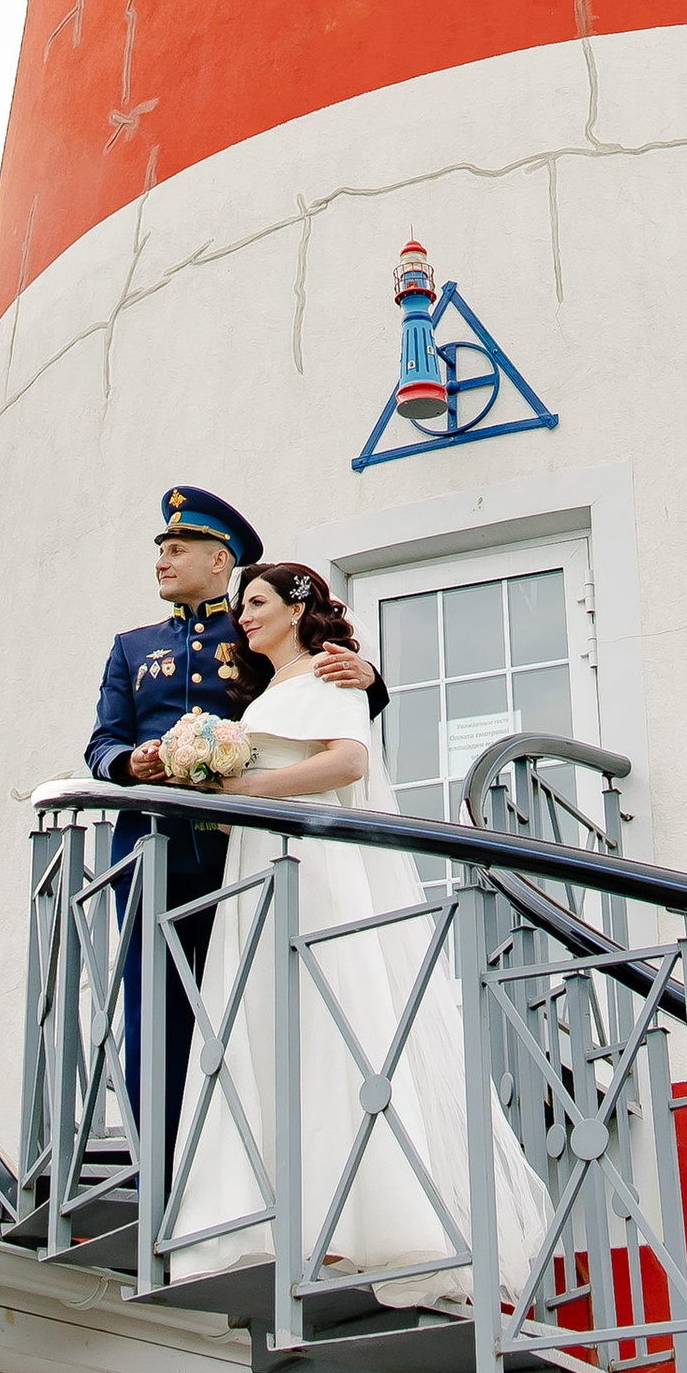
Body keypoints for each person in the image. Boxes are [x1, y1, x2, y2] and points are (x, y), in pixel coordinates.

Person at [170, 559, 547, 1310]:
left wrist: (240, 789)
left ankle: (364, 1218)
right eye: (240, 604)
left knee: (333, 1026)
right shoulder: (266, 692)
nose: (242, 616)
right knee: (271, 1030)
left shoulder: (329, 673)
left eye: (256, 602)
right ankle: (276, 1215)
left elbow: (346, 760)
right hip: (260, 871)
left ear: (295, 606)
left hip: (312, 871)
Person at [84, 490, 385, 1154]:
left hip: (235, 851)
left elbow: (314, 684)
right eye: (161, 549)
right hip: (148, 852)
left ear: (219, 559)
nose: (161, 559)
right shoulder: (131, 648)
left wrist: (370, 674)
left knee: (242, 1003)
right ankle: (157, 1166)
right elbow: (100, 743)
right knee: (151, 1010)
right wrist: (129, 762)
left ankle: (236, 1163)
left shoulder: (254, 629)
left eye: (176, 547)